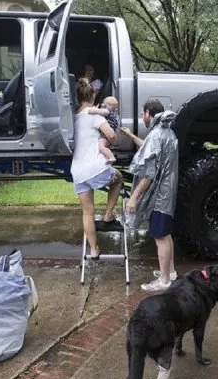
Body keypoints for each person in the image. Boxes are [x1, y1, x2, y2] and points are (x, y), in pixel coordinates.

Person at [122, 100, 178, 291]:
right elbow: (148, 149)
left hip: (159, 196)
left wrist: (133, 198)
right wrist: (130, 136)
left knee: (160, 236)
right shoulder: (167, 132)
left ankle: (164, 281)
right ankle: (170, 272)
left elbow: (148, 173)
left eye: (142, 114)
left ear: (147, 113)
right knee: (166, 234)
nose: (142, 117)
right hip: (167, 193)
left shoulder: (156, 134)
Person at [71, 79, 123, 260]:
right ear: (93, 95)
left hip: (77, 171)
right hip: (95, 168)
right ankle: (108, 214)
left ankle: (94, 250)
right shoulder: (95, 116)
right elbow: (110, 135)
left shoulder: (74, 117)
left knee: (88, 212)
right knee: (118, 178)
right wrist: (113, 141)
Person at [86, 96, 121, 165]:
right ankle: (105, 159)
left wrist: (91, 110)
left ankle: (111, 157)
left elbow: (97, 111)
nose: (102, 104)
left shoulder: (107, 111)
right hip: (107, 134)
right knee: (103, 148)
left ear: (106, 105)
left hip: (105, 135)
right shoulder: (114, 114)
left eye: (103, 103)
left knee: (101, 147)